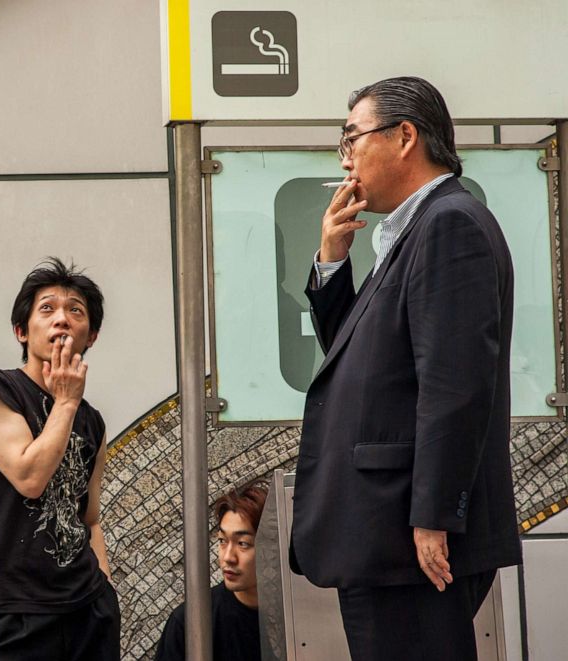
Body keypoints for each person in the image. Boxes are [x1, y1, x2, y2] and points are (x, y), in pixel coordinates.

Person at [290, 76, 522, 660]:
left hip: (409, 538)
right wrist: (332, 260)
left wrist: (433, 517)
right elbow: (353, 355)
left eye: (352, 139)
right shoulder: (415, 230)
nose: (345, 159)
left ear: (405, 137)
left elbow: (455, 387)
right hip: (386, 534)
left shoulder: (448, 225)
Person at [0, 257, 120, 660]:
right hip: (9, 611)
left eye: (75, 311)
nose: (61, 319)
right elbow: (29, 475)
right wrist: (65, 401)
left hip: (85, 609)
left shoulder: (91, 420)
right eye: (47, 309)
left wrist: (106, 590)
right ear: (21, 331)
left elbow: (90, 516)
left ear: (92, 336)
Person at [155, 483, 265, 661]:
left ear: (272, 546)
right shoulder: (190, 623)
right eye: (222, 541)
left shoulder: (297, 615)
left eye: (243, 543)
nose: (228, 557)